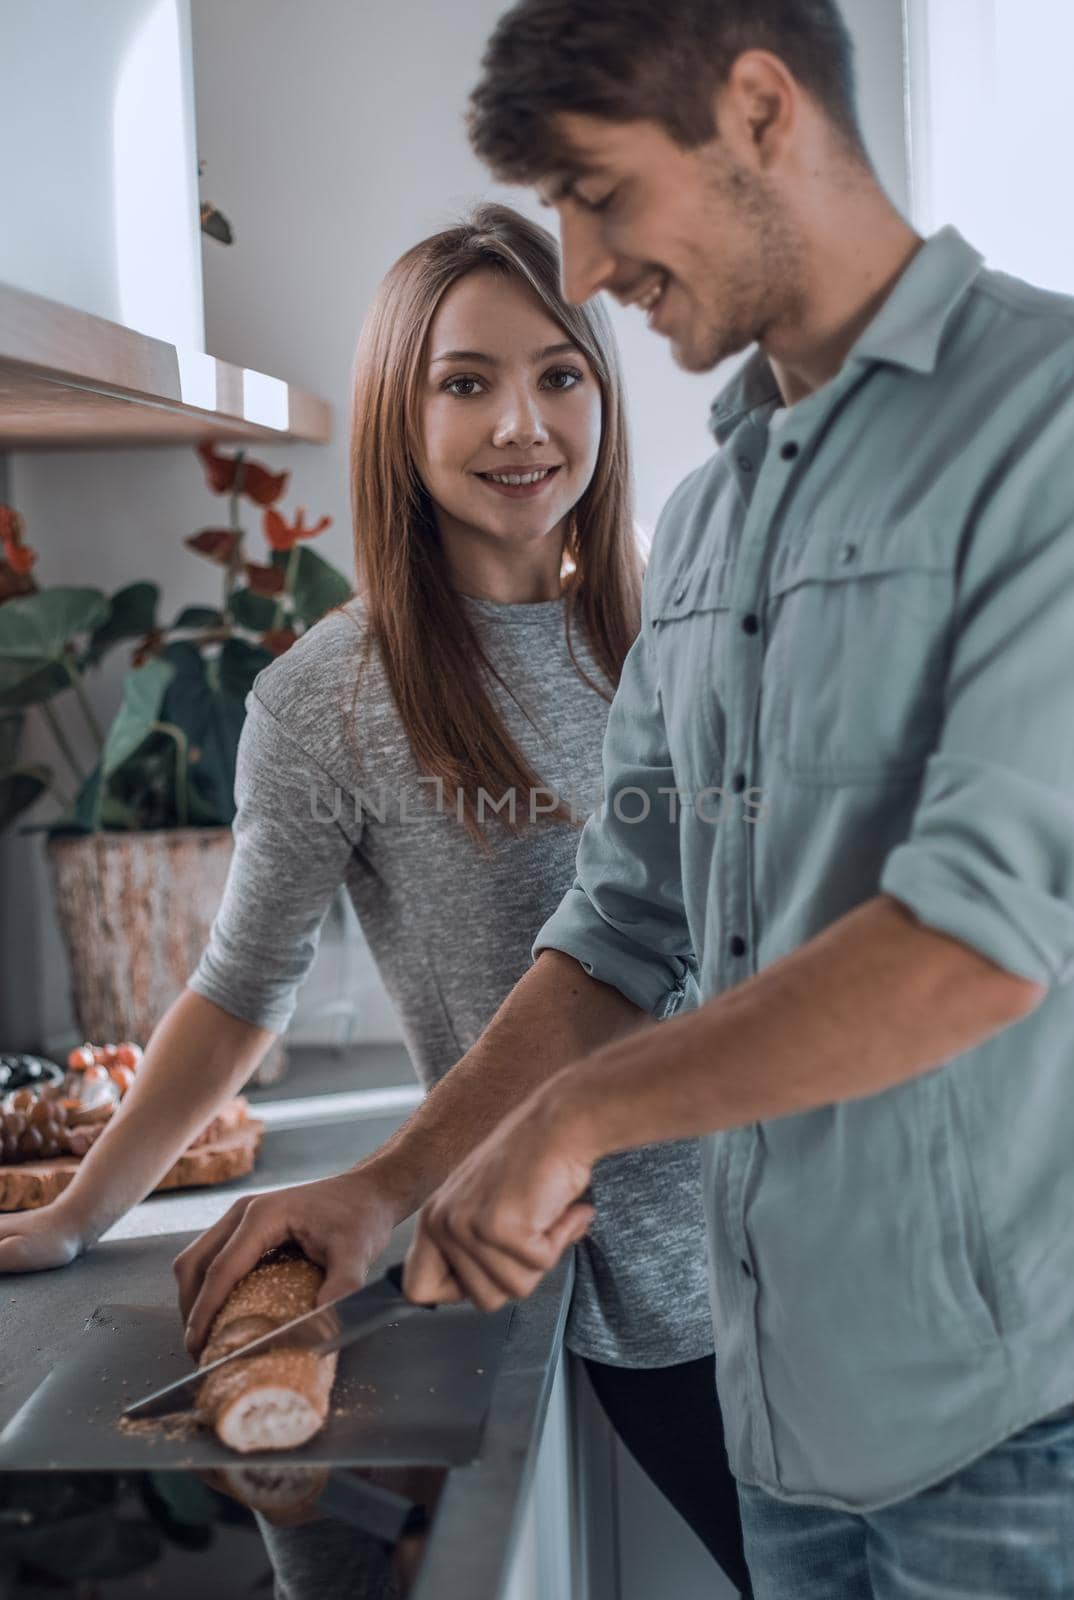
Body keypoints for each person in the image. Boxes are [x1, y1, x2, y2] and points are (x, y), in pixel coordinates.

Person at [344, 1, 1074, 1595]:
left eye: (599, 196)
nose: (586, 269)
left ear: (756, 110)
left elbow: (975, 933)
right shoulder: (713, 513)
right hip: (780, 1424)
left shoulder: (1047, 423)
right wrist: (385, 1190)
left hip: (1023, 1433)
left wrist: (575, 1122)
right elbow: (622, 924)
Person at [0, 205, 753, 1597]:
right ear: (396, 415)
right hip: (642, 1291)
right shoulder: (333, 698)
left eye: (559, 373)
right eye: (464, 382)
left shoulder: (695, 626)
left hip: (818, 1241)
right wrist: (79, 1213)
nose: (522, 424)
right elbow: (240, 987)